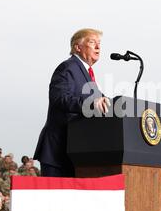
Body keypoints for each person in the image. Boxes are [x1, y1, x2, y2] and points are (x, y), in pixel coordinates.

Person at [34, 28, 110, 177]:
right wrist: (92, 104)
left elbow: (100, 104)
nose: (98, 47)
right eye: (92, 42)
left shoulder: (88, 74)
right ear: (77, 47)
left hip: (78, 152)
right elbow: (59, 98)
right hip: (59, 152)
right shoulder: (68, 67)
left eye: (99, 43)